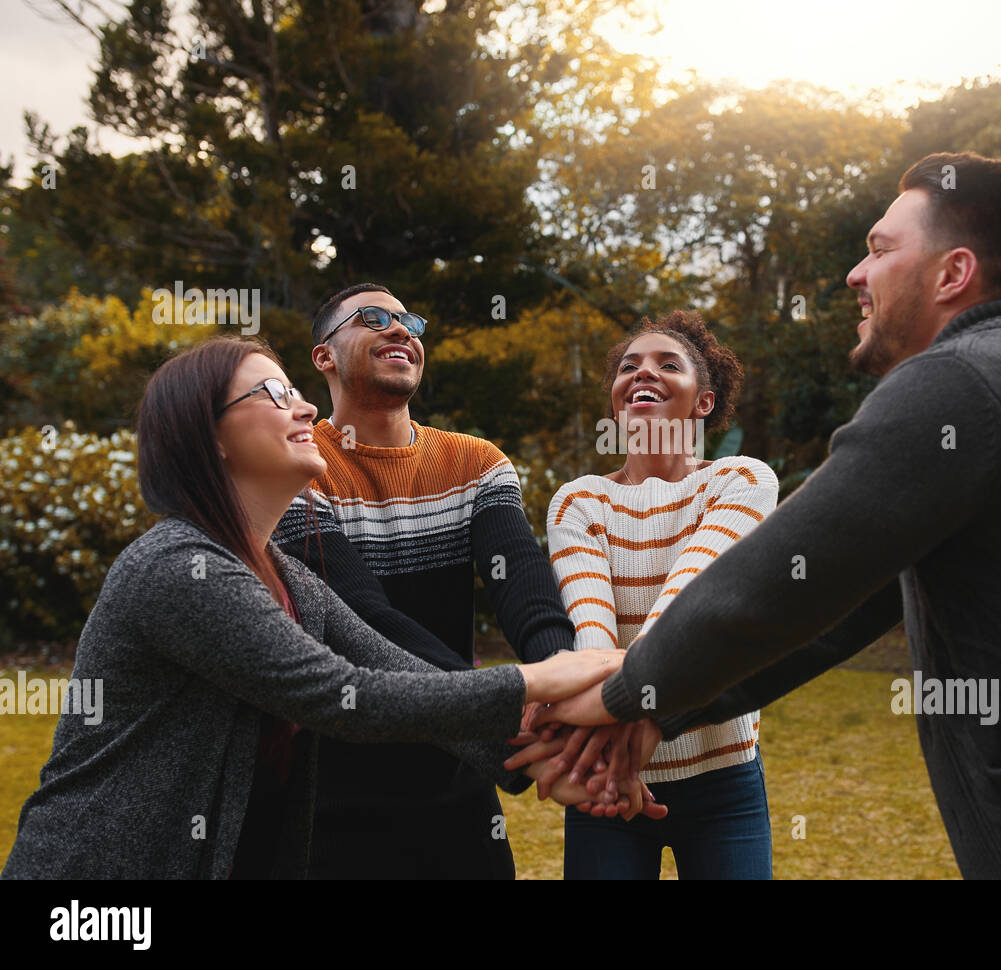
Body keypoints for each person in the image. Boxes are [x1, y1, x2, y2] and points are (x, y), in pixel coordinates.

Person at [548, 152, 1001, 879]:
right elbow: (824, 614)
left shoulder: (968, 380)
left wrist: (621, 698)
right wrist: (654, 710)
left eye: (879, 249)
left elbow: (768, 589)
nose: (855, 273)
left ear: (953, 273)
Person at [0, 337, 625, 880]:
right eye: (270, 394)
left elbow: (403, 673)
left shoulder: (292, 579)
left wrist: (543, 759)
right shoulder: (178, 567)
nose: (302, 406)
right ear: (207, 436)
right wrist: (535, 679)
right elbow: (340, 694)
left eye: (294, 389)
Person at [271, 283, 583, 878]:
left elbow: (520, 583)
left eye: (409, 321)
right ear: (324, 357)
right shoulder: (302, 466)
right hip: (337, 790)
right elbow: (363, 618)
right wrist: (506, 713)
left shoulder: (477, 463)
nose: (401, 331)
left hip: (458, 790)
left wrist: (562, 684)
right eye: (373, 319)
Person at [542, 311, 777, 879]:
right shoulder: (578, 504)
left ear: (704, 403)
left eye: (667, 364)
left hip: (723, 778)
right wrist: (614, 741)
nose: (642, 372)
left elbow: (687, 606)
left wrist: (617, 711)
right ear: (617, 404)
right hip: (605, 781)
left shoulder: (741, 482)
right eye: (630, 366)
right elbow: (592, 638)